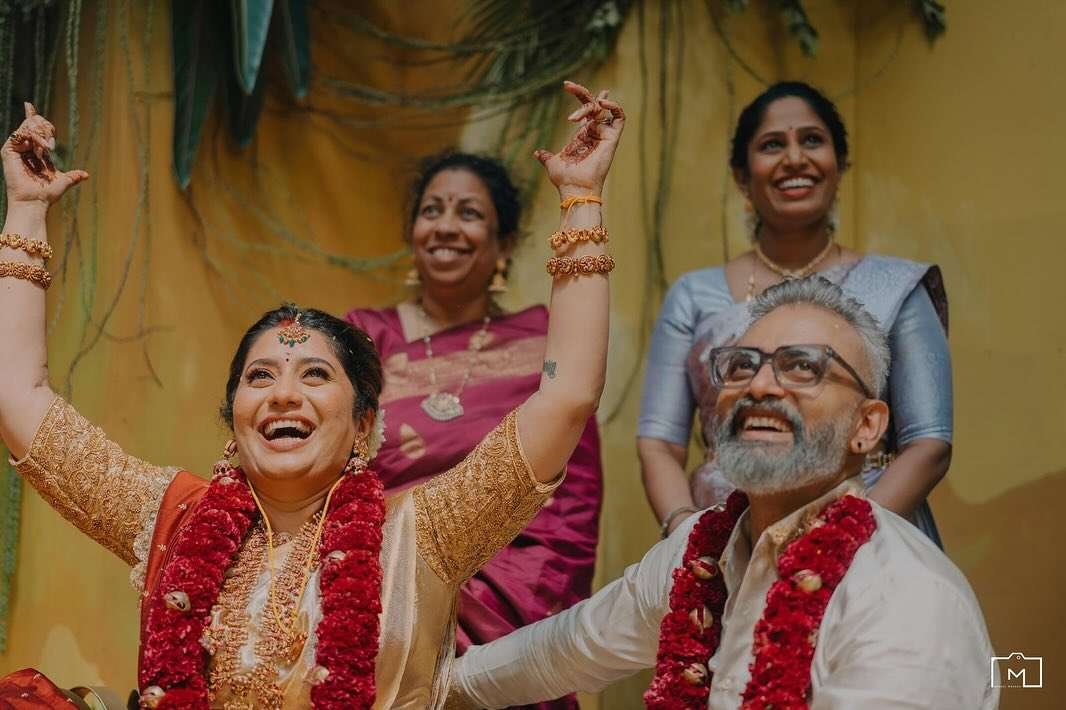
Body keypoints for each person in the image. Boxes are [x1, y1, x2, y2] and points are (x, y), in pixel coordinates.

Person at [0, 80, 623, 709]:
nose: (283, 394)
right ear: (233, 416)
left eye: (316, 375)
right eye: (260, 376)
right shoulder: (172, 519)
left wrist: (581, 198)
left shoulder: (423, 534)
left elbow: (567, 395)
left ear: (364, 425)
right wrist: (26, 210)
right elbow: (19, 399)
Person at [449, 278, 996, 709]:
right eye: (742, 365)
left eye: (803, 367)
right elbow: (570, 647)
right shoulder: (702, 550)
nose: (759, 385)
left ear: (867, 426)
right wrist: (435, 690)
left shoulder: (907, 597)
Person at [638, 82, 952, 545]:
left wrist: (837, 543)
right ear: (742, 176)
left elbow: (929, 443)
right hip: (722, 539)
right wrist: (686, 534)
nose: (794, 158)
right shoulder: (693, 294)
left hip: (869, 533)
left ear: (840, 163)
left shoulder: (895, 286)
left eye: (812, 140)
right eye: (772, 145)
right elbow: (660, 444)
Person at [345, 151, 602, 710]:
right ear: (412, 232)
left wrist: (474, 600)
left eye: (469, 213)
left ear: (504, 243)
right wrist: (409, 586)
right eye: (432, 210)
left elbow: (572, 508)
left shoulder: (543, 339)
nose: (446, 226)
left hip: (508, 610)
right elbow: (335, 479)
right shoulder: (364, 337)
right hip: (383, 597)